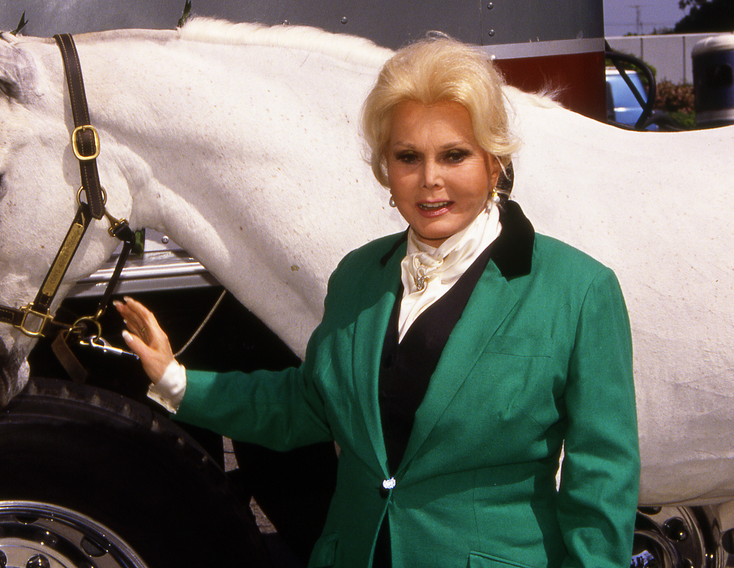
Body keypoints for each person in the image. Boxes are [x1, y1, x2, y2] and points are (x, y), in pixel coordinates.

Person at [115, 35, 640, 568]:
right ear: (386, 172)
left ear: (494, 162)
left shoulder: (578, 291)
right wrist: (176, 380)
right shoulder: (359, 276)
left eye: (454, 155)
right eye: (408, 157)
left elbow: (602, 480)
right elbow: (308, 405)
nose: (430, 179)